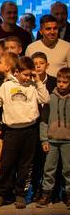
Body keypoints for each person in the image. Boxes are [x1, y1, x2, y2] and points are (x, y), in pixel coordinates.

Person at [0, 56, 49, 209]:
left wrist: (38, 81)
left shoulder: (33, 86)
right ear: (16, 72)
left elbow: (45, 99)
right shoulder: (7, 86)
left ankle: (20, 194)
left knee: (25, 165)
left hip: (30, 130)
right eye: (25, 74)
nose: (28, 77)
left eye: (30, 75)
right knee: (6, 164)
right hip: (11, 131)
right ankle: (1, 194)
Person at [37, 68, 70, 207]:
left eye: (65, 82)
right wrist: (44, 139)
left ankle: (68, 194)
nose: (61, 84)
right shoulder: (50, 97)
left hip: (68, 141)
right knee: (49, 169)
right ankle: (46, 194)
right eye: (59, 81)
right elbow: (44, 120)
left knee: (68, 169)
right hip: (52, 140)